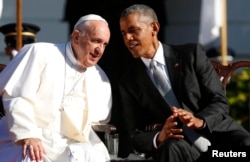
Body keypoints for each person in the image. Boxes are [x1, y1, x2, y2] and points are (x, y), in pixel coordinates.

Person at [118, 4, 250, 162]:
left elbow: (219, 101)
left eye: (133, 30)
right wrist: (159, 137)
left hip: (219, 138)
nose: (127, 39)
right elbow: (133, 135)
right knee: (169, 147)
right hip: (181, 149)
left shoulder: (191, 55)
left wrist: (199, 121)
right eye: (124, 33)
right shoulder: (128, 82)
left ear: (154, 28)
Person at [0, 14, 112, 162]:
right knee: (31, 154)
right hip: (31, 136)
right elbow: (17, 97)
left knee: (91, 155)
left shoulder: (99, 77)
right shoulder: (40, 53)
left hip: (69, 144)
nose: (100, 50)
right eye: (96, 41)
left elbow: (98, 122)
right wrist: (28, 134)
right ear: (76, 37)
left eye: (104, 44)